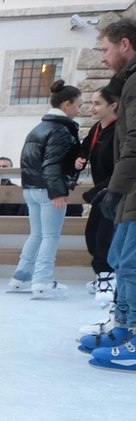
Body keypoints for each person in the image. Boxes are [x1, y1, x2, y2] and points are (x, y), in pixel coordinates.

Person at [83, 19, 136, 369]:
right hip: (129, 186)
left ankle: (131, 333)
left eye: (105, 49)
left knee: (129, 263)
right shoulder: (128, 81)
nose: (102, 58)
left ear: (125, 44)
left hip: (131, 186)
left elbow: (134, 142)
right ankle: (124, 327)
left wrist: (114, 190)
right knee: (121, 259)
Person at [8, 80, 83, 300]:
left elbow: (32, 160)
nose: (80, 110)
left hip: (31, 188)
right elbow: (52, 163)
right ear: (67, 104)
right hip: (48, 189)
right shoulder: (60, 130)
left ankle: (20, 278)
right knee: (50, 236)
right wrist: (58, 192)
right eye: (79, 105)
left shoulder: (38, 128)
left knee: (37, 235)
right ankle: (42, 281)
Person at [81, 87, 119, 304]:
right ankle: (102, 276)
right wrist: (80, 158)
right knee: (92, 233)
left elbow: (120, 167)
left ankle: (107, 277)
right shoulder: (97, 128)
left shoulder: (119, 131)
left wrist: (97, 191)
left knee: (105, 234)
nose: (92, 108)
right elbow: (85, 148)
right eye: (91, 103)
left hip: (114, 191)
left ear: (112, 106)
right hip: (101, 192)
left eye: (97, 103)